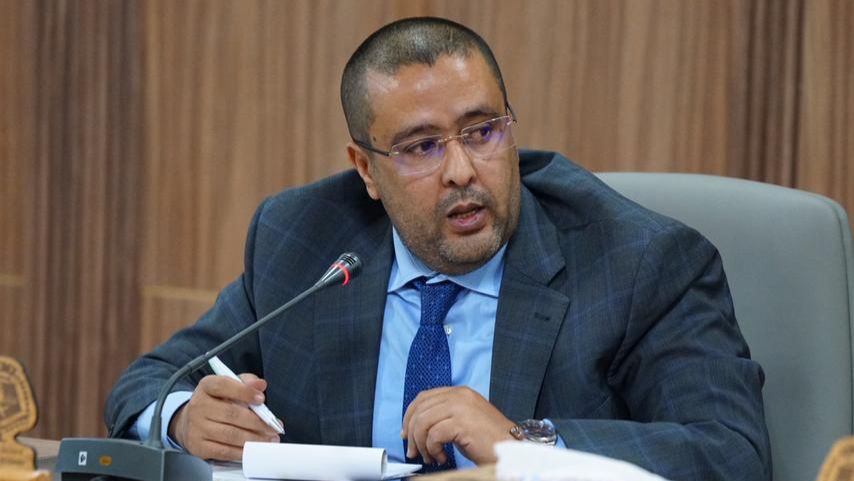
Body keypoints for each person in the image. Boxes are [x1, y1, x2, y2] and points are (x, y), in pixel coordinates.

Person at [105, 17, 771, 480]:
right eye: (422, 147)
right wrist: (185, 417)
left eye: (482, 132)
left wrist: (525, 446)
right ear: (366, 170)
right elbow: (150, 381)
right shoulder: (304, 240)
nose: (461, 170)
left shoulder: (639, 261)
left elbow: (732, 454)